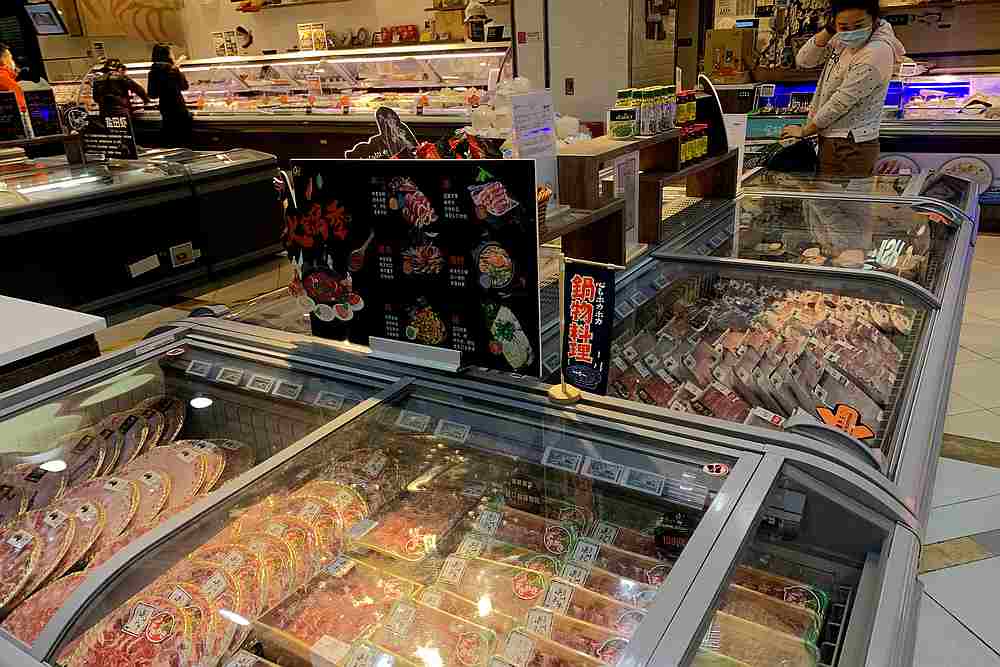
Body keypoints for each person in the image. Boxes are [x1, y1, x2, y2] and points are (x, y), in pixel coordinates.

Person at [780, 0, 905, 177]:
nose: (851, 32)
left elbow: (840, 102)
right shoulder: (840, 39)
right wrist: (830, 30)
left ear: (875, 19)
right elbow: (804, 60)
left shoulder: (877, 51)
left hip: (850, 144)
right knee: (828, 202)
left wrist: (804, 131)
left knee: (842, 203)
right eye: (844, 26)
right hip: (832, 138)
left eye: (859, 25)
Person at [147, 44, 192, 146]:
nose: (173, 55)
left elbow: (152, 94)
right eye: (171, 53)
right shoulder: (173, 70)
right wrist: (177, 69)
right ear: (167, 55)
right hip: (179, 109)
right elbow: (185, 86)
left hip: (165, 109)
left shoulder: (152, 72)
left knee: (170, 140)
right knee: (183, 140)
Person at [0, 43, 25, 111]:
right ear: (2, 59)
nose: (12, 59)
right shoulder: (2, 76)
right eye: (9, 56)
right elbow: (23, 109)